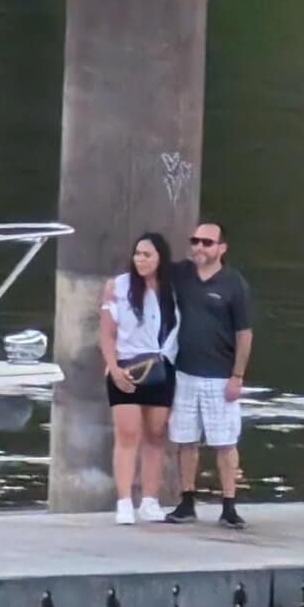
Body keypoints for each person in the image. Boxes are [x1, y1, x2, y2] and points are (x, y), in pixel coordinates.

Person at [166, 221, 253, 529]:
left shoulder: (234, 284)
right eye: (196, 241)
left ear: (221, 248)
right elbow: (146, 273)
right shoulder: (182, 275)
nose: (199, 247)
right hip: (185, 373)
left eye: (207, 242)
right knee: (185, 440)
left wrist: (237, 376)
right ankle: (187, 502)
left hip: (220, 376)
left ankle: (229, 505)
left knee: (224, 442)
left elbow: (244, 333)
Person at [99, 231, 179, 525]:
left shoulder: (171, 288)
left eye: (148, 255)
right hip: (126, 366)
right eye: (138, 254)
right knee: (127, 434)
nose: (141, 260)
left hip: (161, 366)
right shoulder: (118, 287)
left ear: (160, 258)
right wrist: (113, 366)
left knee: (156, 435)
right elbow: (106, 332)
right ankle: (123, 501)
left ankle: (149, 499)